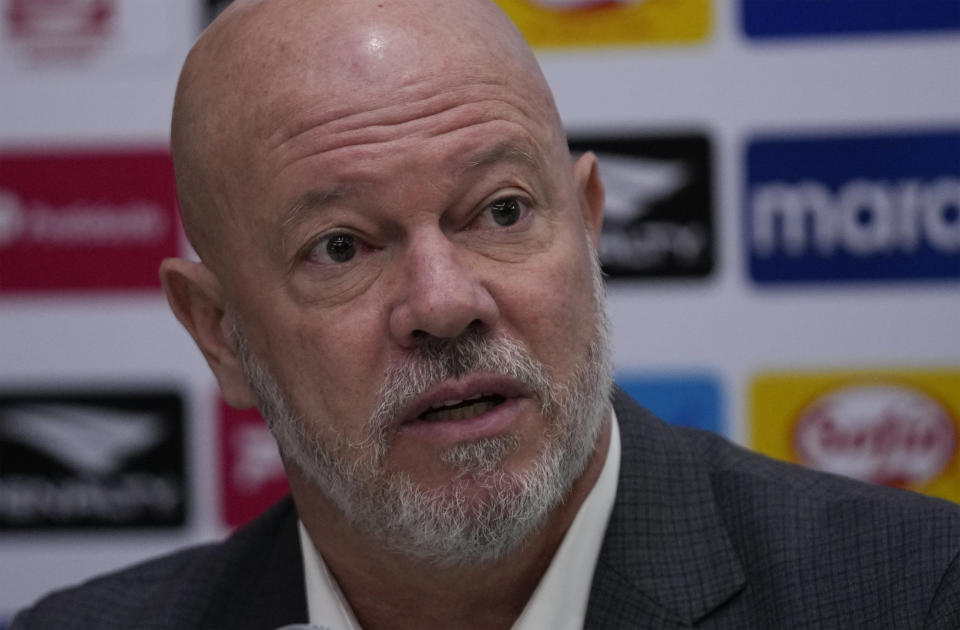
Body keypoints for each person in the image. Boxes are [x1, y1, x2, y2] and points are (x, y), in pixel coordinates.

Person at [11, 0, 960, 628]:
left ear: (587, 231)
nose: (444, 302)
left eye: (501, 212)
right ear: (219, 331)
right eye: (341, 246)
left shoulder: (909, 596)